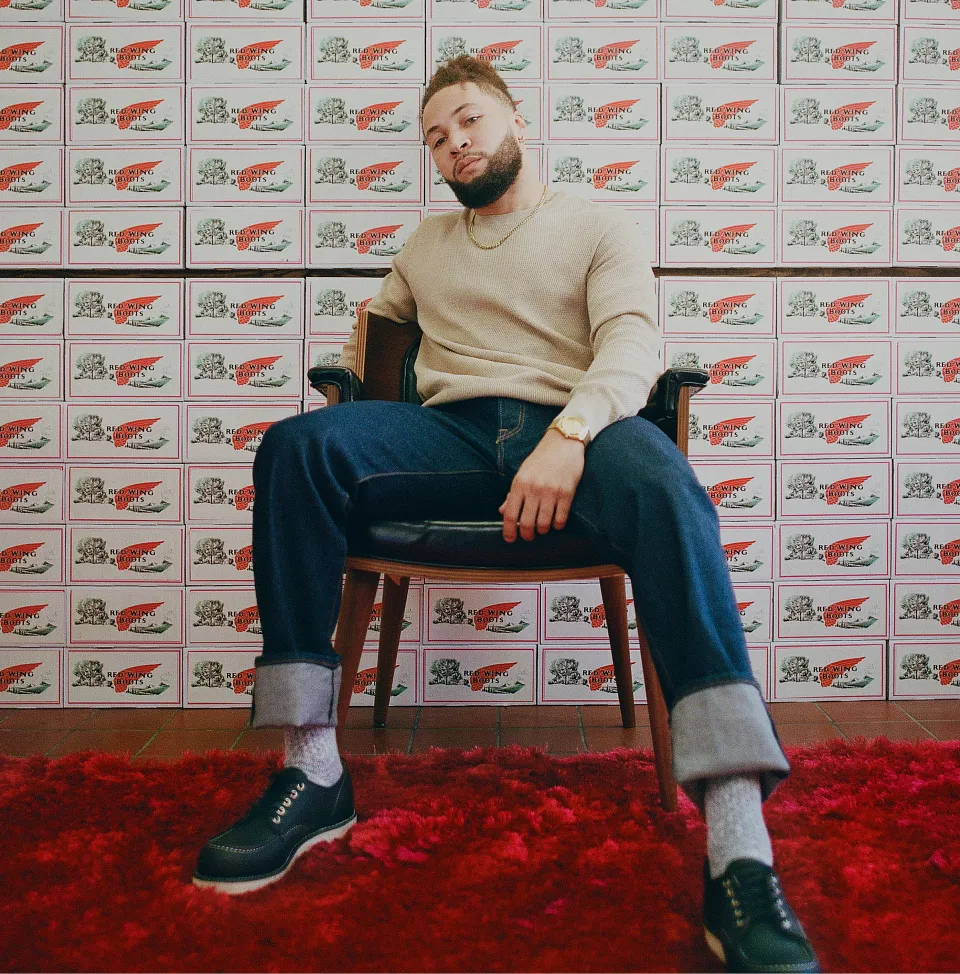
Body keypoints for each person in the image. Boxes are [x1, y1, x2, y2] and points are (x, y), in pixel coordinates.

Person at [192, 55, 821, 974]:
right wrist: (353, 382)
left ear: (516, 117)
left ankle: (737, 845)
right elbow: (372, 344)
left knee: (669, 487)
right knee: (297, 446)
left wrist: (568, 435)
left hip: (583, 434)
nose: (455, 144)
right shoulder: (425, 245)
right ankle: (312, 768)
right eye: (437, 138)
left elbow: (632, 343)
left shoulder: (596, 224)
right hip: (448, 440)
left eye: (468, 120)